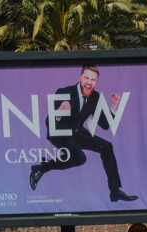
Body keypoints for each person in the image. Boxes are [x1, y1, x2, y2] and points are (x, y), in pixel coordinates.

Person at [29, 66, 138, 202]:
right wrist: (59, 111)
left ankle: (115, 192)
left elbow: (104, 124)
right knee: (80, 158)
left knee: (107, 146)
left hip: (76, 133)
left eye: (93, 79)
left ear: (96, 81)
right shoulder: (64, 92)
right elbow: (48, 122)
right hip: (59, 132)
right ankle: (40, 168)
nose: (89, 82)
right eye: (86, 78)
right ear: (80, 78)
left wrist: (114, 106)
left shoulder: (95, 97)